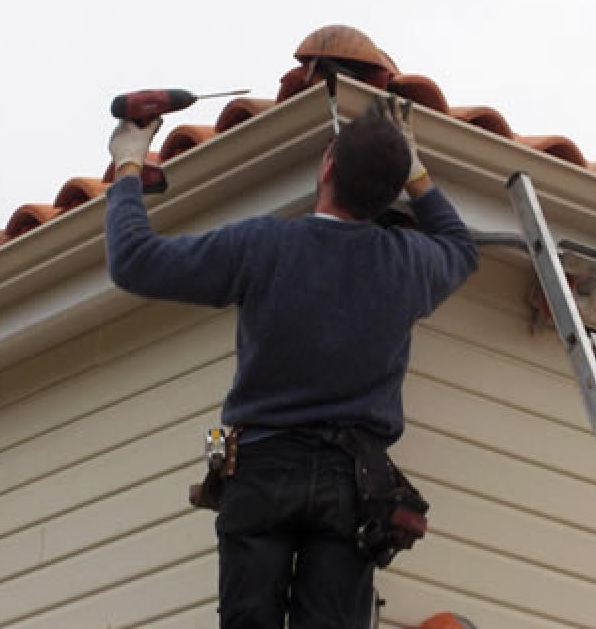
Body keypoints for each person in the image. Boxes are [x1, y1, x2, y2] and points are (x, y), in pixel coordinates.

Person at [105, 97, 478, 629]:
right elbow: (461, 247)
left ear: (327, 166)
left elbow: (132, 261)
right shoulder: (408, 263)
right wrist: (416, 171)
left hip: (261, 468)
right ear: (389, 194)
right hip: (354, 483)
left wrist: (128, 164)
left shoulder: (263, 245)